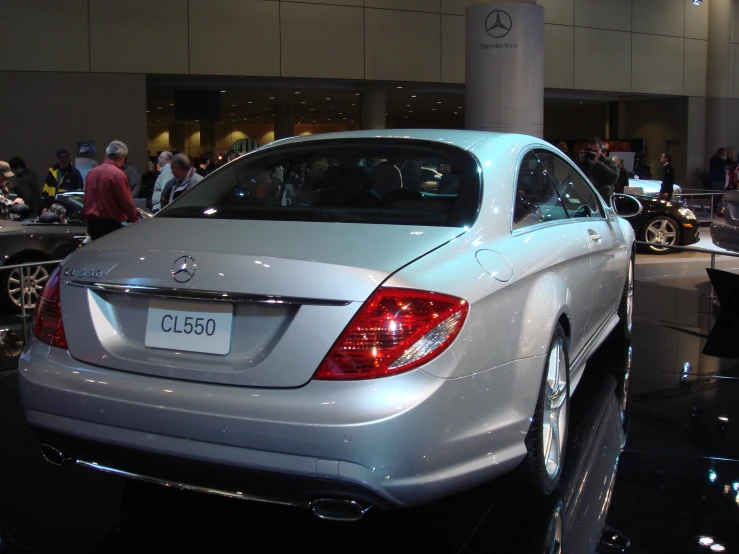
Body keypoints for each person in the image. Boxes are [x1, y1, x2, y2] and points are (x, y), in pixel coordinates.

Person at [83, 140, 139, 240]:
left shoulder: (92, 172)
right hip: (110, 226)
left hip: (93, 224)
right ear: (123, 157)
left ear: (107, 155)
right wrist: (135, 219)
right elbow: (125, 201)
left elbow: (86, 199)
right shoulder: (118, 174)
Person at [575, 137, 619, 205]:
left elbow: (613, 177)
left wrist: (597, 163)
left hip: (603, 201)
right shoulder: (583, 162)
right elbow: (573, 176)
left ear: (601, 151)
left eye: (595, 151)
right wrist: (580, 162)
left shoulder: (608, 162)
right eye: (590, 150)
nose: (592, 153)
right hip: (584, 200)